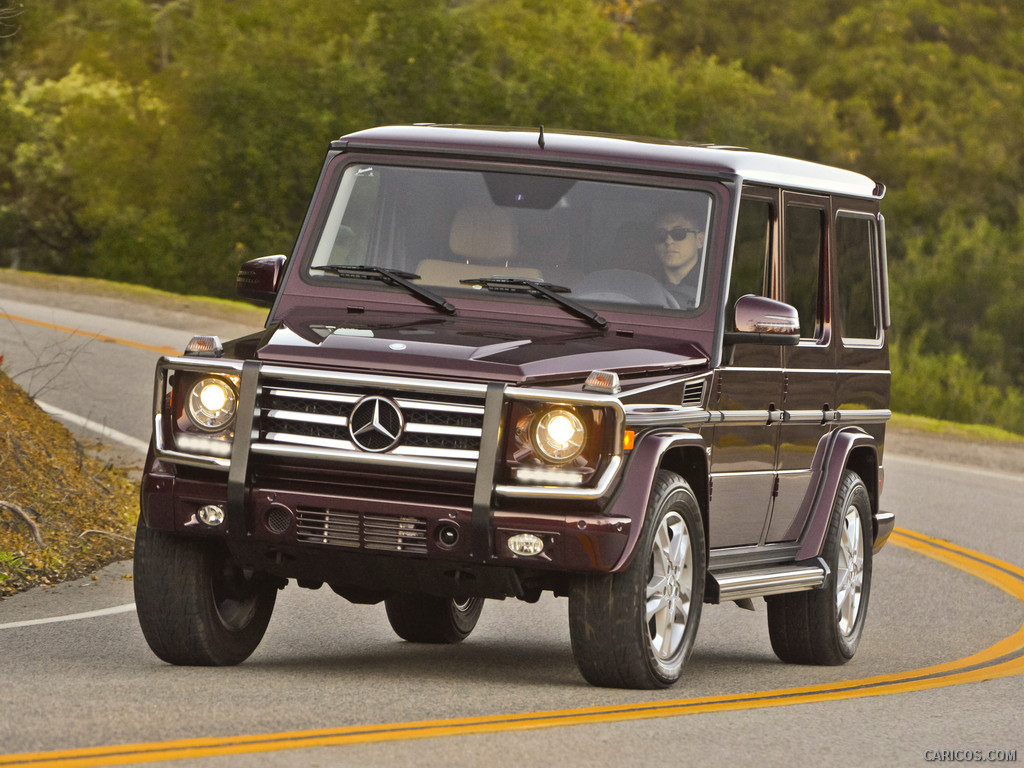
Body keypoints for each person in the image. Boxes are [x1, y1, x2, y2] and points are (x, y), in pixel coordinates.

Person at [652, 210, 705, 309]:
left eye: (678, 233)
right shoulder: (643, 283)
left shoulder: (712, 286)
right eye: (660, 234)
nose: (668, 241)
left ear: (700, 240)